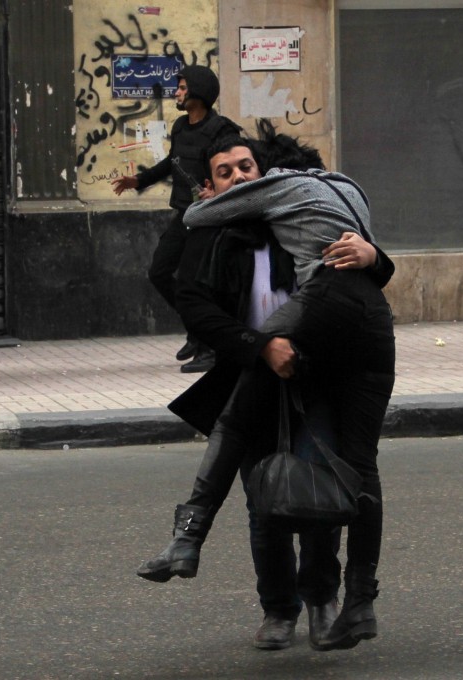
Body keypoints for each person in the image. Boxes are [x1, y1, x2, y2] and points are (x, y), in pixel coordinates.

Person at [180, 128, 396, 652]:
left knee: (318, 487)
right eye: (224, 173)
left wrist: (373, 255)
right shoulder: (220, 232)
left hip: (316, 373)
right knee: (264, 500)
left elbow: (348, 275)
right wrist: (259, 348)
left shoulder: (290, 210)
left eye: (245, 167)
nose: (238, 177)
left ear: (264, 171)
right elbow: (194, 303)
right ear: (210, 186)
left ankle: (323, 601)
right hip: (255, 370)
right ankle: (279, 608)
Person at [111, 65, 240, 373]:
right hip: (185, 214)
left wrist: (219, 193)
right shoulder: (182, 126)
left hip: (211, 218)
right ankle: (197, 330)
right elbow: (173, 162)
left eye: (182, 88)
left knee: (196, 283)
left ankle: (209, 347)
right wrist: (139, 181)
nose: (177, 93)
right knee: (160, 272)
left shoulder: (223, 130)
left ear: (199, 92)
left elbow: (235, 167)